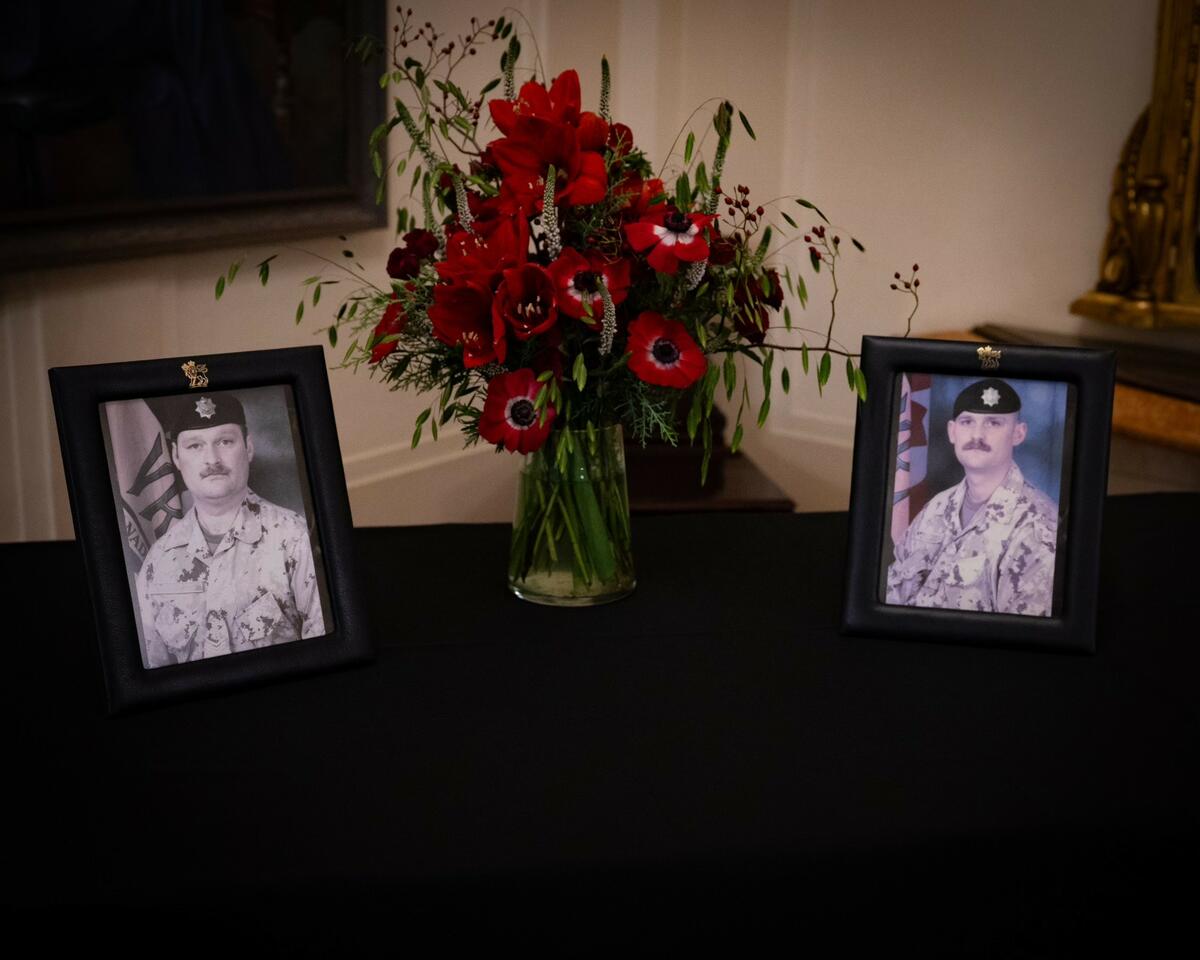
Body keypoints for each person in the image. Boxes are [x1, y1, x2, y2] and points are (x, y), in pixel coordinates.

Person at [135, 392, 326, 667]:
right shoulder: (157, 562)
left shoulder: (294, 538)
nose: (212, 459)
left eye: (225, 441)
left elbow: (323, 657)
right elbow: (153, 675)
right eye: (195, 446)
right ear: (176, 456)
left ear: (248, 447)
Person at [885, 378, 1059, 617]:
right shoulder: (936, 507)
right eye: (967, 422)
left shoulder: (1038, 527)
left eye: (993, 423)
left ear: (1018, 434)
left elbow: (1023, 635)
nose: (977, 434)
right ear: (952, 432)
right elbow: (894, 592)